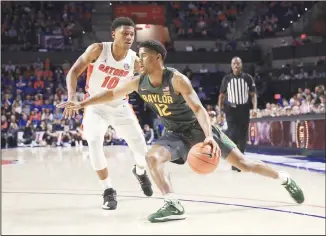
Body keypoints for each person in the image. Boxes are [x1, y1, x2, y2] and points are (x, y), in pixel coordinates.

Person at [58, 40, 305, 222]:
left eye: (143, 56)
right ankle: (172, 203)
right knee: (151, 157)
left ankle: (284, 179)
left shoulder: (176, 79)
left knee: (244, 163)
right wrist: (81, 103)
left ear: (158, 58)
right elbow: (110, 94)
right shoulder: (137, 80)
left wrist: (209, 136)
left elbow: (199, 109)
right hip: (175, 133)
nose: (138, 60)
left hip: (199, 129)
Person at [63, 17, 153, 210]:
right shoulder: (98, 49)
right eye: (125, 33)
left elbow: (152, 79)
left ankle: (139, 171)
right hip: (95, 106)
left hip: (120, 106)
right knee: (94, 144)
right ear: (114, 34)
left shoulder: (135, 61)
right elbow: (73, 72)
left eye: (132, 34)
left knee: (142, 153)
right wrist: (72, 97)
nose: (129, 37)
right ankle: (108, 189)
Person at [218, 57, 257, 172]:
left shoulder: (248, 78)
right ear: (231, 66)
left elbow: (253, 95)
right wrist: (220, 111)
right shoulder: (227, 79)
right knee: (233, 135)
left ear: (241, 65)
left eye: (238, 63)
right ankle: (235, 162)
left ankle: (241, 161)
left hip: (244, 109)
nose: (236, 65)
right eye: (234, 63)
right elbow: (221, 96)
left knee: (243, 136)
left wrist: (254, 108)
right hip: (231, 110)